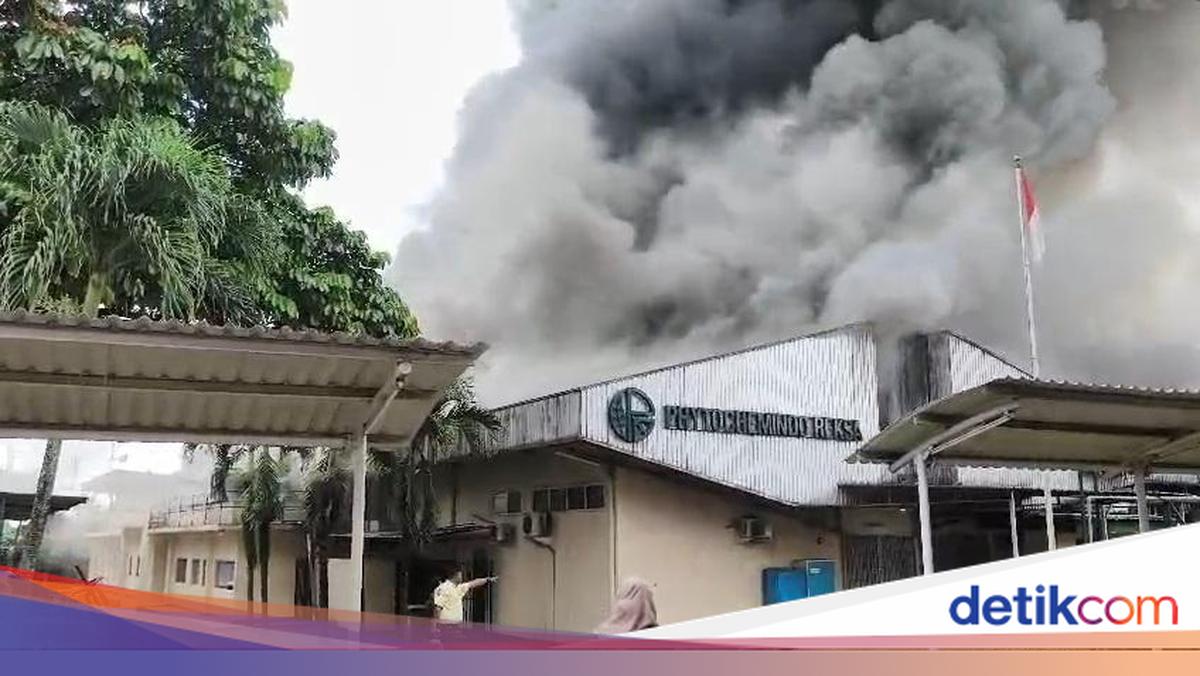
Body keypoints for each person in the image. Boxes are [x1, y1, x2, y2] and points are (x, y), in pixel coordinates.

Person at [431, 570, 497, 623]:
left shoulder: (459, 588)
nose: (462, 577)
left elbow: (473, 583)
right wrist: (436, 625)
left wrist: (487, 580)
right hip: (446, 625)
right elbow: (437, 608)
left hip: (456, 624)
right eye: (460, 575)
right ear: (455, 576)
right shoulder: (443, 588)